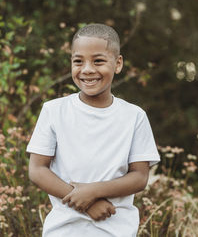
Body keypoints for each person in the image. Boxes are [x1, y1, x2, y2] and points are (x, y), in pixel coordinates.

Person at [27, 23, 160, 236]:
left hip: (116, 230)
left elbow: (139, 177)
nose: (87, 69)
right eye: (78, 61)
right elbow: (37, 170)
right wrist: (86, 203)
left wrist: (93, 192)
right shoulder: (54, 111)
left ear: (117, 64)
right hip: (63, 231)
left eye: (98, 61)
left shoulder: (134, 116)